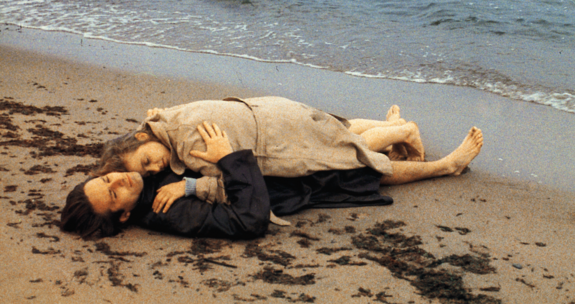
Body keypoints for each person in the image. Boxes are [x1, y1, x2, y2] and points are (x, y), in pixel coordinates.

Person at [60, 124, 484, 239]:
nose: (119, 180)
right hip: (282, 185)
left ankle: (396, 130)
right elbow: (248, 221)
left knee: (329, 135)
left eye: (108, 178)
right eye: (114, 193)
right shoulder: (169, 213)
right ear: (124, 214)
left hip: (264, 161)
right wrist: (229, 159)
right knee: (360, 167)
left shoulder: (144, 169)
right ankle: (446, 165)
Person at [91, 97, 428, 212]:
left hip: (278, 139)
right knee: (337, 131)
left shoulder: (192, 149)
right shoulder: (166, 120)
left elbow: (236, 185)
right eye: (149, 171)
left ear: (140, 137)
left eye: (147, 159)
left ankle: (403, 132)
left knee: (351, 153)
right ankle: (393, 127)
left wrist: (189, 187)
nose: (157, 166)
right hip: (272, 110)